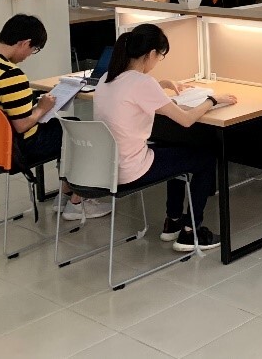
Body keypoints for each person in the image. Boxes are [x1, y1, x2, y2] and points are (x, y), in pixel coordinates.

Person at [94, 24, 235, 250]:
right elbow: (186, 120)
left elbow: (133, 93)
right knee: (206, 159)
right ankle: (191, 232)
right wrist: (213, 100)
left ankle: (173, 222)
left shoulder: (107, 79)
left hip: (107, 167)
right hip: (130, 169)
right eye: (160, 56)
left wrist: (164, 85)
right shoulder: (142, 83)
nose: (158, 61)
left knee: (170, 147)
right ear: (151, 54)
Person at [0, 15, 111, 221]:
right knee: (73, 129)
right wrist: (42, 108)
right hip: (13, 151)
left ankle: (65, 195)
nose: (29, 56)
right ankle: (77, 201)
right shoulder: (9, 74)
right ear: (24, 43)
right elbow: (23, 125)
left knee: (58, 129)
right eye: (33, 50)